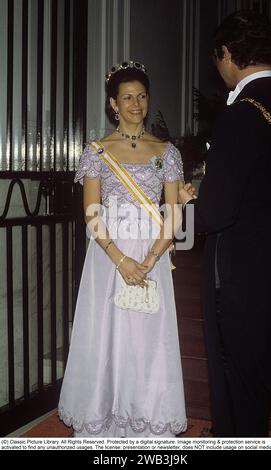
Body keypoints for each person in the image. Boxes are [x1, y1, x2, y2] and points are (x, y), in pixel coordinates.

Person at [58, 61, 191, 437]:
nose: (136, 104)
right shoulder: (96, 152)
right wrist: (120, 260)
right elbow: (91, 213)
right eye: (127, 97)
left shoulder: (167, 152)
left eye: (142, 96)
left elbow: (173, 213)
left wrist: (148, 260)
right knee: (105, 334)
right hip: (108, 257)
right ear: (113, 104)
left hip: (152, 254)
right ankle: (103, 415)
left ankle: (147, 419)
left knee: (146, 337)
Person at [179, 10, 271, 437]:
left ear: (226, 54)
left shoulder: (242, 114)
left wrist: (187, 204)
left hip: (244, 282)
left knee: (241, 392)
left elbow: (215, 213)